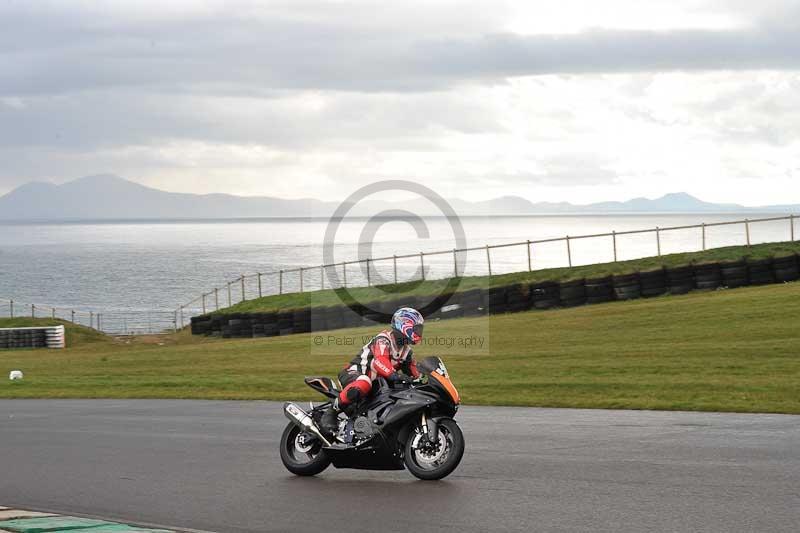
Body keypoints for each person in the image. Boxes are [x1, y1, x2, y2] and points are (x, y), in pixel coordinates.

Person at [320, 307, 424, 436]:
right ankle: (331, 412)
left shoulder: (407, 352)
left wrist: (424, 378)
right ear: (404, 325)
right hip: (354, 374)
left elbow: (416, 373)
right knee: (365, 382)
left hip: (376, 386)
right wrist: (394, 375)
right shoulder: (383, 339)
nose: (419, 332)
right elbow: (380, 361)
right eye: (417, 328)